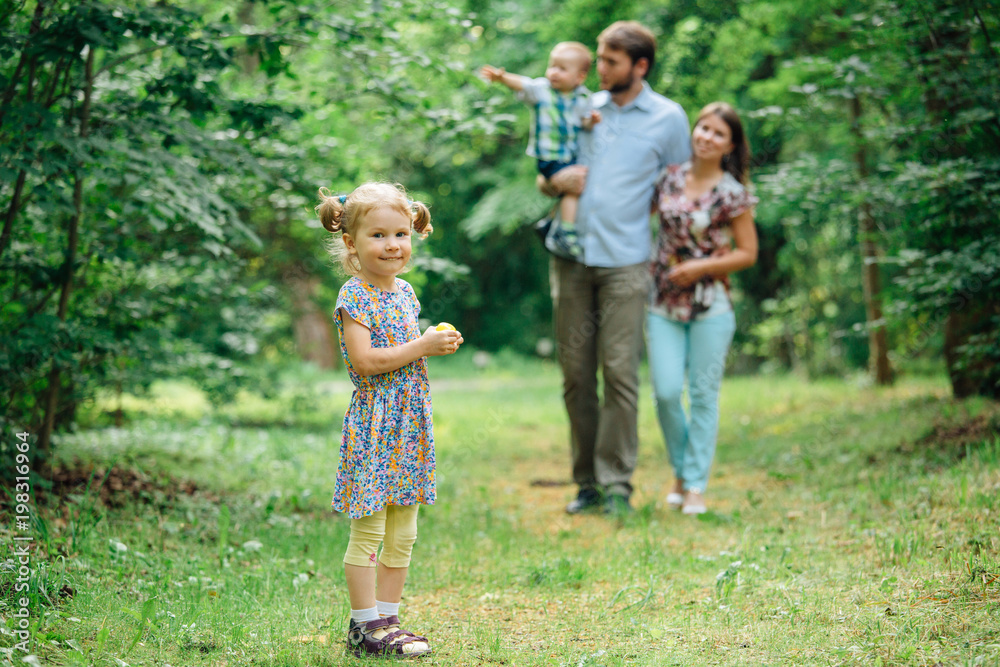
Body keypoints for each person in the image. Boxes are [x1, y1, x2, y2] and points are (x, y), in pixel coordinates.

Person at [541, 21, 691, 515]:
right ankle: (586, 484)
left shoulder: (669, 118)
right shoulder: (582, 107)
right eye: (598, 59)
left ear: (639, 66)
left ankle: (617, 485)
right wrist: (554, 182)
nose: (598, 68)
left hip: (627, 263)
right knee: (576, 376)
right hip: (571, 260)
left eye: (610, 61)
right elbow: (549, 170)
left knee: (621, 373)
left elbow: (676, 192)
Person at [316, 182, 463, 658]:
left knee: (405, 531)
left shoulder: (405, 292)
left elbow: (406, 352)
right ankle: (363, 627)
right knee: (371, 529)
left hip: (409, 423)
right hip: (376, 426)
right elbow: (365, 362)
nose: (392, 244)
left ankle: (388, 619)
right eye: (378, 235)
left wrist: (434, 342)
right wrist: (421, 345)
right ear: (351, 242)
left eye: (401, 233)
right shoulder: (353, 295)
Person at [647, 102, 759, 515]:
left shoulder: (733, 193)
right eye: (703, 128)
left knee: (703, 394)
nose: (706, 137)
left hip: (712, 306)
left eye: (718, 133)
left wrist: (702, 267)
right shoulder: (668, 179)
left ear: (730, 145)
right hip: (662, 304)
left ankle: (692, 485)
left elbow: (748, 253)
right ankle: (681, 470)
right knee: (664, 392)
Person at [481, 42, 601, 257]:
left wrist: (592, 121)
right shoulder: (542, 90)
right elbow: (523, 84)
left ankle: (552, 226)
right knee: (573, 188)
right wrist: (502, 78)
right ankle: (567, 232)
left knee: (570, 189)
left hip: (569, 155)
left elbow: (583, 124)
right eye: (552, 66)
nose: (554, 72)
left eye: (562, 69)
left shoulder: (584, 98)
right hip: (549, 157)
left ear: (580, 77)